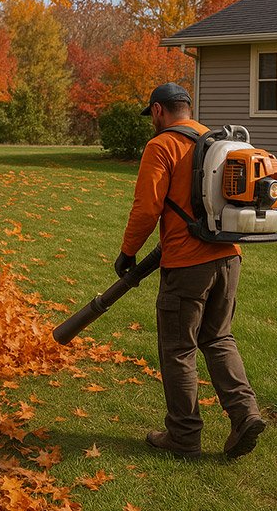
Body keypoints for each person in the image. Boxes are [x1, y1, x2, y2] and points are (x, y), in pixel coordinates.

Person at [114, 82, 266, 460]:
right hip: (229, 256)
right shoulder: (216, 140)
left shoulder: (161, 145)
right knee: (219, 338)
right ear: (187, 108)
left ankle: (183, 436)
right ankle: (245, 414)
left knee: (179, 348)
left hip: (187, 263)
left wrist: (127, 252)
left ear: (157, 111)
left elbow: (147, 208)